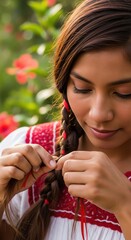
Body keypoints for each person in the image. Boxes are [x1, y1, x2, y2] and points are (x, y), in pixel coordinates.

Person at [0, 0, 131, 239]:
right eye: (82, 88)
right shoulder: (26, 150)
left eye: (124, 93)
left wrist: (125, 206)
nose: (99, 114)